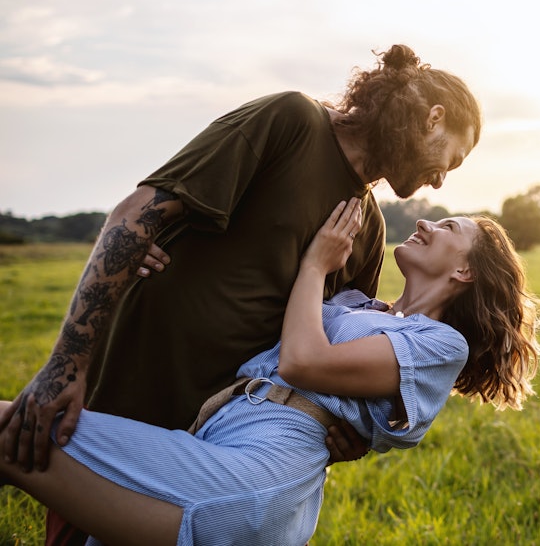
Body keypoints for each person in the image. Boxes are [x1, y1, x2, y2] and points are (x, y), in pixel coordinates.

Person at [0, 44, 482, 545]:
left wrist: (351, 438)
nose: (441, 178)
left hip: (223, 434)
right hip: (129, 389)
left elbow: (332, 366)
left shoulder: (367, 231)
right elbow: (135, 216)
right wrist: (67, 363)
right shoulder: (292, 122)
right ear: (433, 117)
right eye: (452, 158)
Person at [1, 199, 540, 544]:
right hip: (221, 452)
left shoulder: (439, 343)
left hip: (253, 480)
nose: (426, 220)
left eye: (449, 225)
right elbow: (246, 291)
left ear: (464, 270)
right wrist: (153, 256)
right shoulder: (357, 305)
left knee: (10, 433)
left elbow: (303, 361)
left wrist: (316, 263)